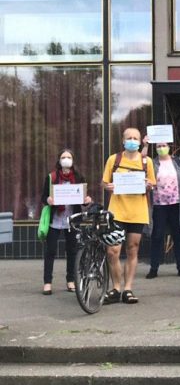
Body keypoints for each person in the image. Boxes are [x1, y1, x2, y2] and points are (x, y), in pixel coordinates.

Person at [102, 127, 156, 304]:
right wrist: (108, 186)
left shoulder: (146, 161)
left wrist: (149, 185)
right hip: (117, 211)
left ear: (141, 141)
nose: (132, 140)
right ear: (123, 140)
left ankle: (128, 288)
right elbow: (104, 182)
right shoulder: (114, 159)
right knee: (112, 251)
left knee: (132, 249)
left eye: (136, 138)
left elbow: (153, 184)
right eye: (129, 137)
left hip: (137, 212)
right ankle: (116, 287)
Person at [40, 149, 92, 294]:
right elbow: (43, 197)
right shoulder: (52, 177)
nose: (66, 159)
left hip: (72, 220)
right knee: (50, 251)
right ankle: (47, 282)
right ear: (59, 160)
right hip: (55, 220)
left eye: (69, 157)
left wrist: (87, 201)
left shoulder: (79, 177)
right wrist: (48, 200)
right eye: (63, 157)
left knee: (72, 251)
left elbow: (84, 198)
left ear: (73, 160)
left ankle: (70, 280)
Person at [147, 142, 180, 279]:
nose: (161, 148)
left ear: (169, 146)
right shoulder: (152, 163)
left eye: (163, 145)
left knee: (178, 236)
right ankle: (154, 268)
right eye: (158, 146)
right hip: (158, 204)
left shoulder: (178, 161)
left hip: (177, 204)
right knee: (157, 236)